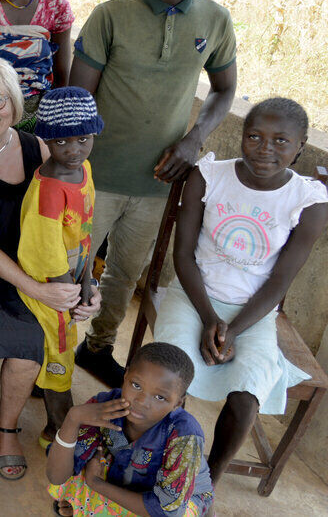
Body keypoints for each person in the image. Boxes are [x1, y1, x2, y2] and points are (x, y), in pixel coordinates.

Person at [70, 0, 237, 388]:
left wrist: (194, 138)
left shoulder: (215, 20)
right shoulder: (111, 15)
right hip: (94, 176)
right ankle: (49, 357)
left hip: (158, 181)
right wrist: (72, 170)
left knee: (124, 275)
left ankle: (97, 348)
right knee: (68, 270)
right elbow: (79, 100)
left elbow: (224, 88)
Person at [0, 55, 98, 487]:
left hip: (36, 271)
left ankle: (5, 427)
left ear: (14, 104)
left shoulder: (41, 149)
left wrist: (87, 285)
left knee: (31, 339)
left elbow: (75, 228)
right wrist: (37, 289)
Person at [153, 98, 327, 483]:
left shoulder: (308, 202)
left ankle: (207, 482)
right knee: (167, 375)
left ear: (300, 146)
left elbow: (279, 282)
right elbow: (183, 256)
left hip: (254, 312)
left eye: (281, 141)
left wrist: (232, 330)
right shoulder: (209, 176)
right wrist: (209, 318)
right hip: (194, 295)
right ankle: (161, 464)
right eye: (254, 137)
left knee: (248, 393)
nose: (265, 149)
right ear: (242, 136)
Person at [16, 87, 103, 447]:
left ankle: (46, 394)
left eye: (83, 139)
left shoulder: (83, 170)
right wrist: (73, 295)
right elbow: (47, 256)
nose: (74, 150)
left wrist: (89, 282)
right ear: (47, 140)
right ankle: (56, 430)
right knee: (61, 356)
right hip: (49, 288)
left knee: (62, 351)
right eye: (63, 141)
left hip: (71, 280)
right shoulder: (50, 190)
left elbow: (85, 232)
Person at [45, 342, 214, 517]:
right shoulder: (105, 405)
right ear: (126, 376)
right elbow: (57, 476)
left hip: (177, 500)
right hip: (126, 475)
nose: (141, 402)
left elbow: (165, 511)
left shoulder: (184, 434)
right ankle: (91, 505)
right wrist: (73, 419)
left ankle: (89, 504)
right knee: (74, 456)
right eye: (136, 385)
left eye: (159, 397)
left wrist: (96, 483)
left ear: (178, 403)